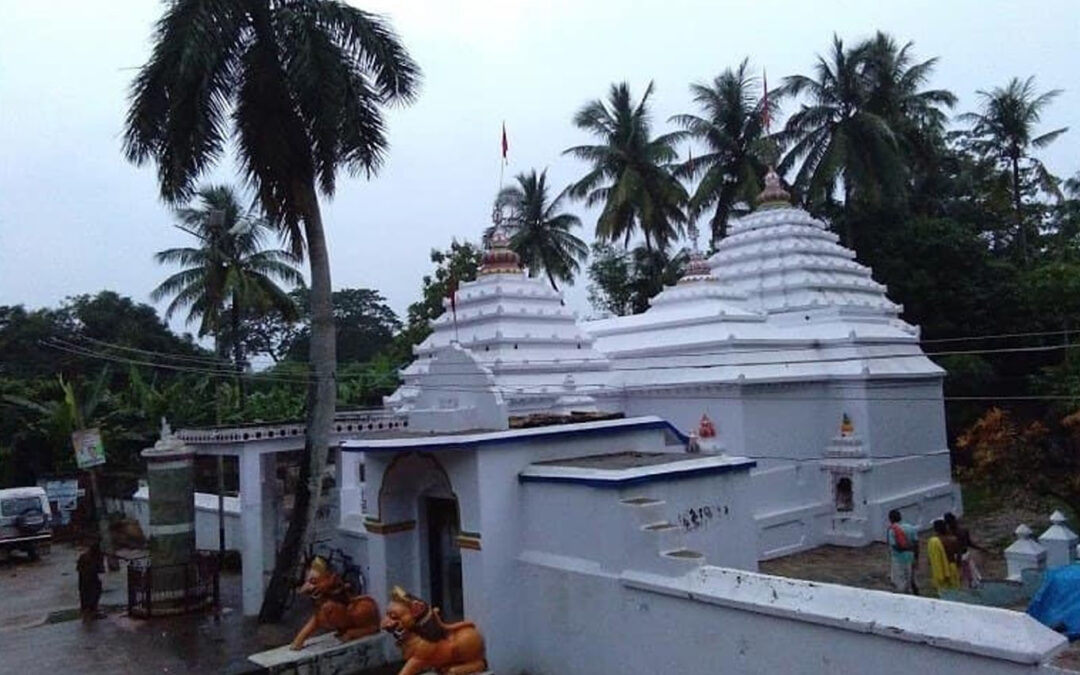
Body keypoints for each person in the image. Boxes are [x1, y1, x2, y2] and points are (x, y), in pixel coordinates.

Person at [944, 512, 983, 588]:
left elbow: (968, 543)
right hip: (963, 556)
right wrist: (980, 548)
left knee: (966, 579)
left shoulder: (948, 534)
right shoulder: (961, 531)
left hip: (958, 558)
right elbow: (969, 543)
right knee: (972, 578)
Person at [886, 509, 918, 594]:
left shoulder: (892, 530)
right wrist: (916, 557)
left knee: (900, 581)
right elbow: (916, 544)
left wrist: (906, 548)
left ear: (890, 519)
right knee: (909, 578)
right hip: (910, 556)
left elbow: (894, 546)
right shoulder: (911, 527)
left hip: (898, 558)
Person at [927, 519, 961, 596]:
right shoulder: (953, 540)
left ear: (935, 529)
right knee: (955, 591)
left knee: (944, 593)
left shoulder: (933, 542)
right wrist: (958, 568)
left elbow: (930, 559)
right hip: (952, 567)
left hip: (940, 570)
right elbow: (958, 556)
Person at [77, 540, 105, 619]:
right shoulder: (97, 557)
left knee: (85, 594)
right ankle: (92, 610)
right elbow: (101, 570)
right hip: (91, 579)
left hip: (83, 579)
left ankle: (87, 609)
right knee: (95, 592)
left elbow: (78, 568)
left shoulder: (83, 556)